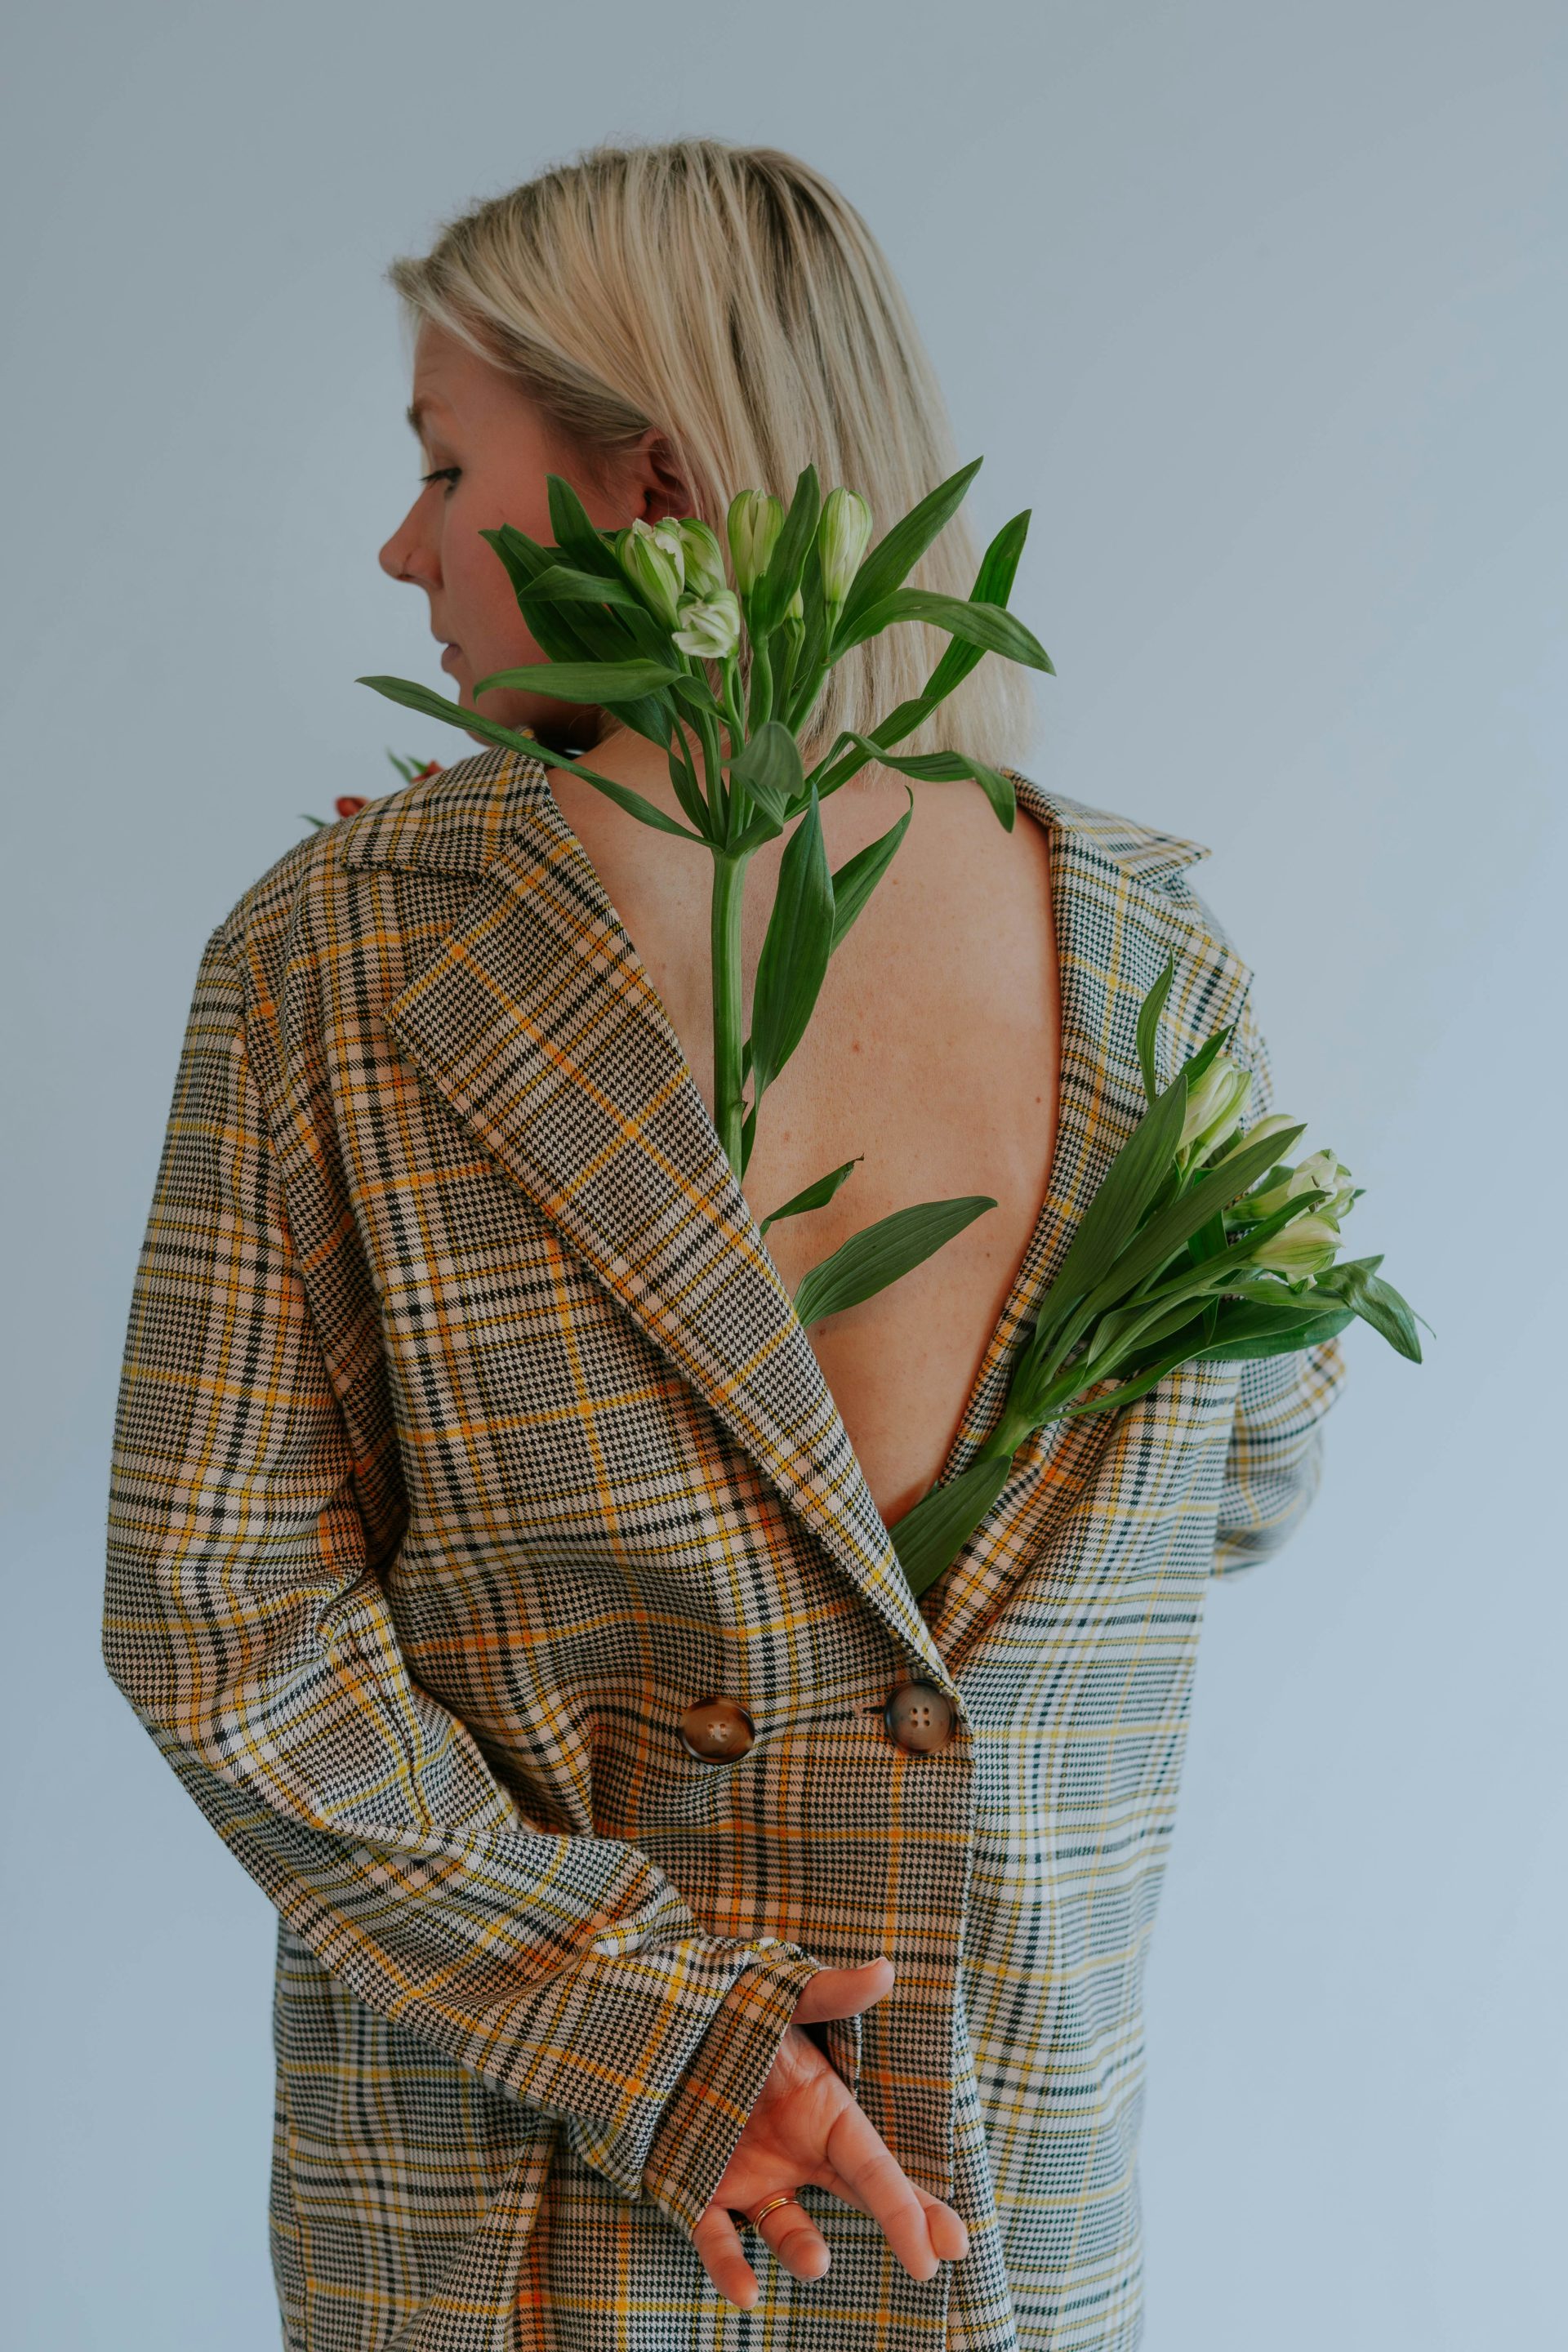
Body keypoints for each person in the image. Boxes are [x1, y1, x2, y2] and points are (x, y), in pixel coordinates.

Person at [103, 139, 1344, 2352]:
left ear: (650, 484)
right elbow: (1244, 1484)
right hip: (998, 2190)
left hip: (524, 2222)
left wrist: (651, 2037)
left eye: (445, 469)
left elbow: (224, 1622)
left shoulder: (360, 949)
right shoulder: (1162, 964)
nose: (406, 552)